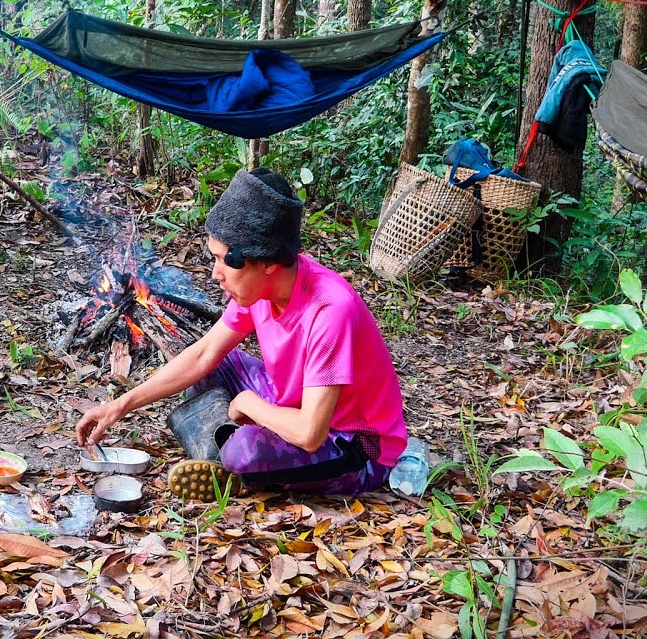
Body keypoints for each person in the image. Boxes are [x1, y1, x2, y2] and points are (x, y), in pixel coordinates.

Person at [76, 168, 408, 500]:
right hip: (290, 405)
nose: (215, 273)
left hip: (352, 447)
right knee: (215, 364)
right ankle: (229, 452)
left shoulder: (330, 310)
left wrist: (248, 403)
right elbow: (204, 354)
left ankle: (233, 458)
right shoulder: (258, 290)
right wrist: (119, 406)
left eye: (223, 261)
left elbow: (309, 434)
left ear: (266, 263)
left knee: (245, 451)